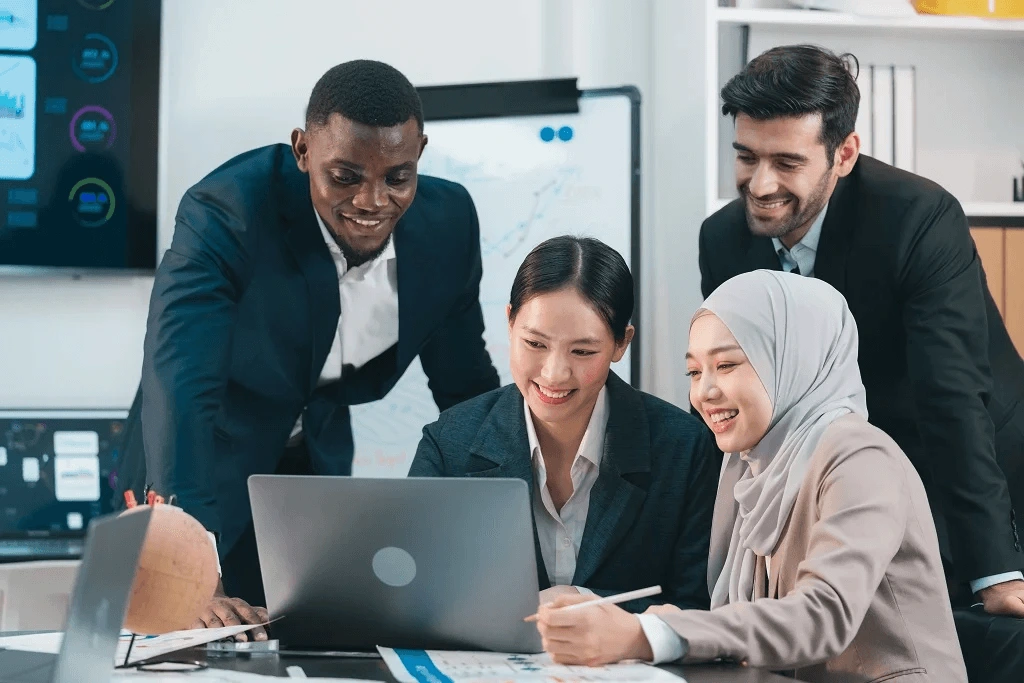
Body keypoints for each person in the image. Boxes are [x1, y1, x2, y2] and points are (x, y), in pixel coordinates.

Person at [116, 60, 500, 634]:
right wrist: (190, 567)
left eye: (397, 176)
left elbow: (465, 388)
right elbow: (179, 383)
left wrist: (514, 523)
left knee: (309, 642)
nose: (372, 201)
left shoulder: (448, 224)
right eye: (345, 176)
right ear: (301, 150)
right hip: (193, 465)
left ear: (420, 152)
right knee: (180, 640)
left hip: (308, 470)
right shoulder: (226, 211)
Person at [697, 45, 1024, 616]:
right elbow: (739, 394)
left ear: (844, 154)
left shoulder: (918, 219)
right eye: (746, 156)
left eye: (787, 163)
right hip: (834, 477)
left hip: (965, 467)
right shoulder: (722, 240)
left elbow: (949, 400)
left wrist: (993, 569)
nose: (760, 184)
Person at [537, 271, 968, 683]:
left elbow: (824, 614)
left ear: (792, 357)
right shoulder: (752, 466)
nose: (703, 392)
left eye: (726, 365)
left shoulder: (858, 455)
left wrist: (646, 635)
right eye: (694, 371)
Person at [408, 236, 718, 612]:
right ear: (509, 323)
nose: (554, 374)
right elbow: (418, 594)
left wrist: (586, 606)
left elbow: (697, 607)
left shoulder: (685, 449)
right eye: (535, 344)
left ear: (621, 343)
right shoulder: (448, 444)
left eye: (582, 351)